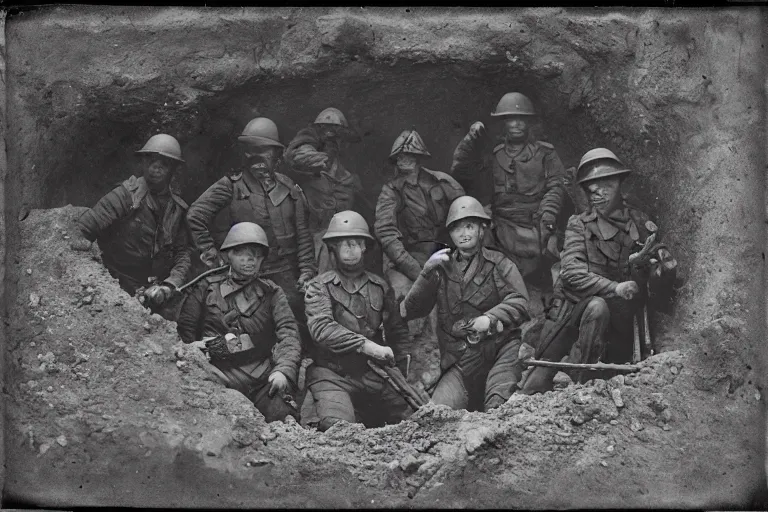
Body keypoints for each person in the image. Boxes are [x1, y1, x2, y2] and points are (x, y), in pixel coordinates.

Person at [518, 148, 678, 394]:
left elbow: (654, 287)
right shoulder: (578, 225)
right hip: (573, 317)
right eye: (591, 186)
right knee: (534, 383)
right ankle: (579, 387)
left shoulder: (639, 222)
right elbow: (571, 273)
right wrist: (615, 287)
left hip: (621, 325)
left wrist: (661, 272)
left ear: (619, 183)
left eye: (606, 184)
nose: (597, 192)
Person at [186, 117, 316, 330]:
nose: (257, 157)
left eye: (265, 150)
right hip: (243, 272)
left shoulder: (290, 187)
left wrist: (307, 272)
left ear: (276, 155)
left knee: (297, 321)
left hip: (284, 272)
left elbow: (303, 235)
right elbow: (195, 216)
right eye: (250, 150)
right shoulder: (230, 185)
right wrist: (215, 258)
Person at [402, 196, 530, 411]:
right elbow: (410, 311)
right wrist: (425, 274)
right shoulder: (441, 267)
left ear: (482, 229)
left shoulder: (499, 264)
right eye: (456, 228)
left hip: (500, 351)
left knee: (499, 405)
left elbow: (521, 302)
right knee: (439, 414)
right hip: (460, 360)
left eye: (469, 226)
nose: (463, 234)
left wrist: (489, 319)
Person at [451, 92, 567, 312]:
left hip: (537, 225)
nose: (516, 124)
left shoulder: (545, 153)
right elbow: (461, 171)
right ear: (503, 123)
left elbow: (556, 185)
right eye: (510, 118)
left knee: (558, 256)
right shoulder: (492, 155)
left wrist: (548, 214)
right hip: (503, 227)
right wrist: (469, 140)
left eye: (521, 118)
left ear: (529, 122)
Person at [176, 222, 301, 423]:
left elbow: (289, 334)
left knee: (284, 416)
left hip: (261, 376)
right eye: (241, 253)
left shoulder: (272, 292)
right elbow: (185, 331)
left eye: (256, 254)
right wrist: (194, 350)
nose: (250, 259)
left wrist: (283, 371)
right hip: (217, 374)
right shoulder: (205, 288)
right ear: (228, 255)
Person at [303, 210, 414, 431]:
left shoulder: (379, 286)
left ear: (364, 247)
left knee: (416, 417)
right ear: (332, 247)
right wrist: (367, 346)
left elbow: (397, 333)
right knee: (338, 427)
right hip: (332, 375)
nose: (350, 249)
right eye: (343, 243)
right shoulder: (318, 287)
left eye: (356, 243)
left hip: (373, 373)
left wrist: (400, 371)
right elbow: (322, 329)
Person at [71, 134, 191, 321]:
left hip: (156, 289)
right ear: (142, 162)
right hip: (119, 284)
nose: (155, 168)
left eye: (163, 164)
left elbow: (182, 253)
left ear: (172, 169)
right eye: (151, 161)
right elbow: (85, 229)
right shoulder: (125, 196)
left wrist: (171, 284)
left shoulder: (177, 209)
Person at [374, 129, 465, 345]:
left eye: (409, 154)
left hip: (439, 252)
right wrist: (414, 269)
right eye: (399, 156)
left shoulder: (441, 182)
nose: (404, 160)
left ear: (419, 157)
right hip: (404, 260)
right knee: (403, 299)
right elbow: (386, 234)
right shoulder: (390, 191)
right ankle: (405, 351)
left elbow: (464, 211)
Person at [283, 107, 368, 274]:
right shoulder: (307, 176)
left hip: (345, 245)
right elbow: (297, 155)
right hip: (315, 244)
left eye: (335, 137)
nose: (331, 142)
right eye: (326, 135)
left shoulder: (348, 178)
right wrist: (316, 158)